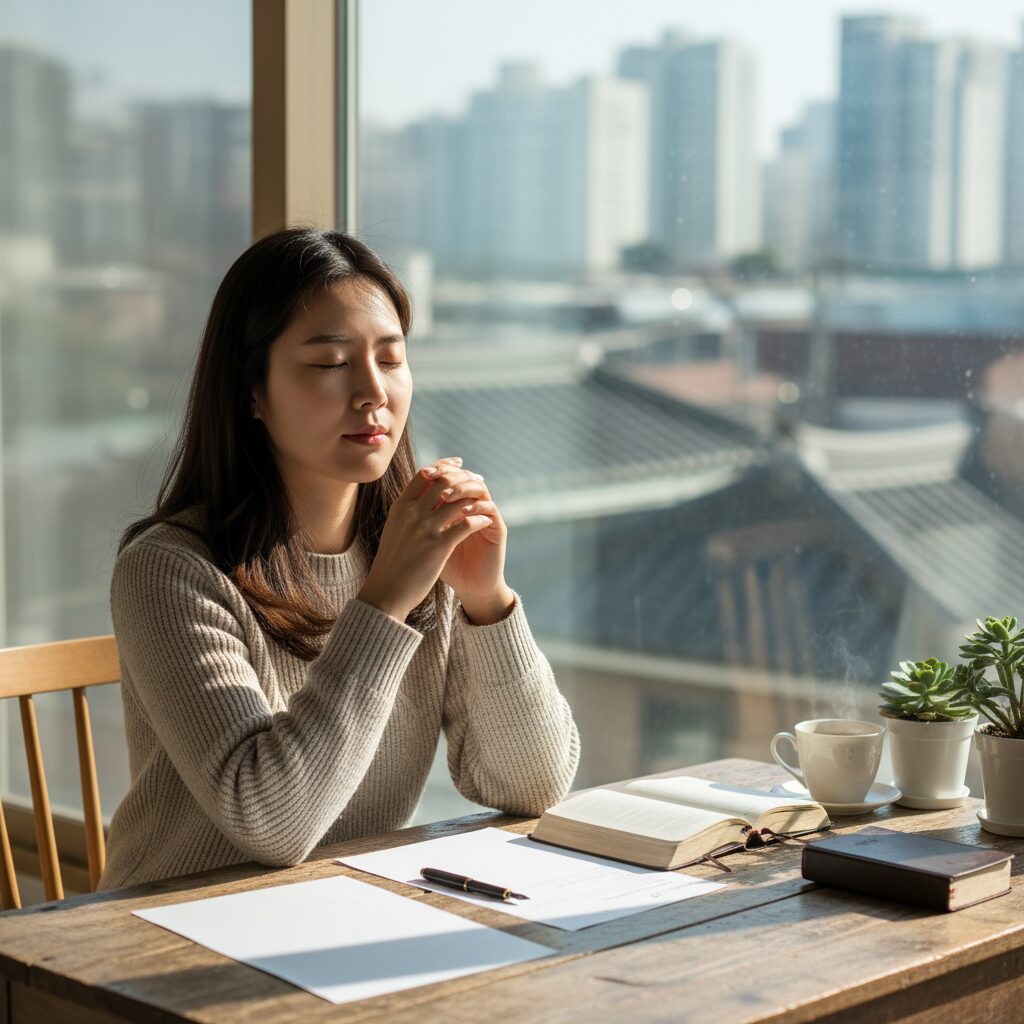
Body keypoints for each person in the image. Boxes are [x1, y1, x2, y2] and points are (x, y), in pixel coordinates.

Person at [98, 227, 580, 890]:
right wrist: (382, 603)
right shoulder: (170, 570)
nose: (373, 391)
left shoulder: (414, 552)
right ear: (251, 393)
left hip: (341, 913)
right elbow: (272, 822)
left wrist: (486, 603)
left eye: (391, 357)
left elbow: (533, 785)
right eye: (329, 363)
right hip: (163, 935)